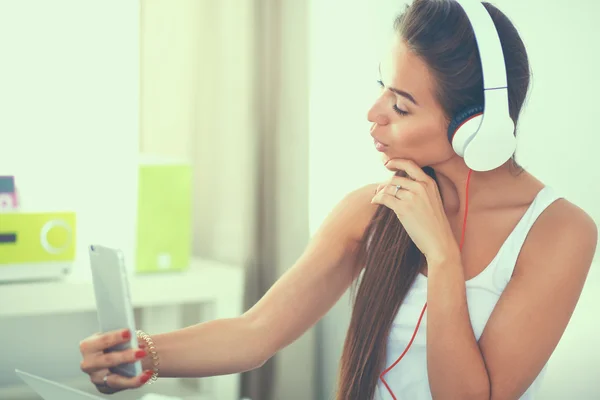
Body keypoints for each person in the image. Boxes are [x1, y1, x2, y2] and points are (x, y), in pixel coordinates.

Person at [78, 1, 598, 399]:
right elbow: (257, 332)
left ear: (476, 128)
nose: (374, 114)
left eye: (400, 105)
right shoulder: (371, 209)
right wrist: (143, 354)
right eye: (382, 89)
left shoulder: (559, 232)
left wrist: (442, 256)